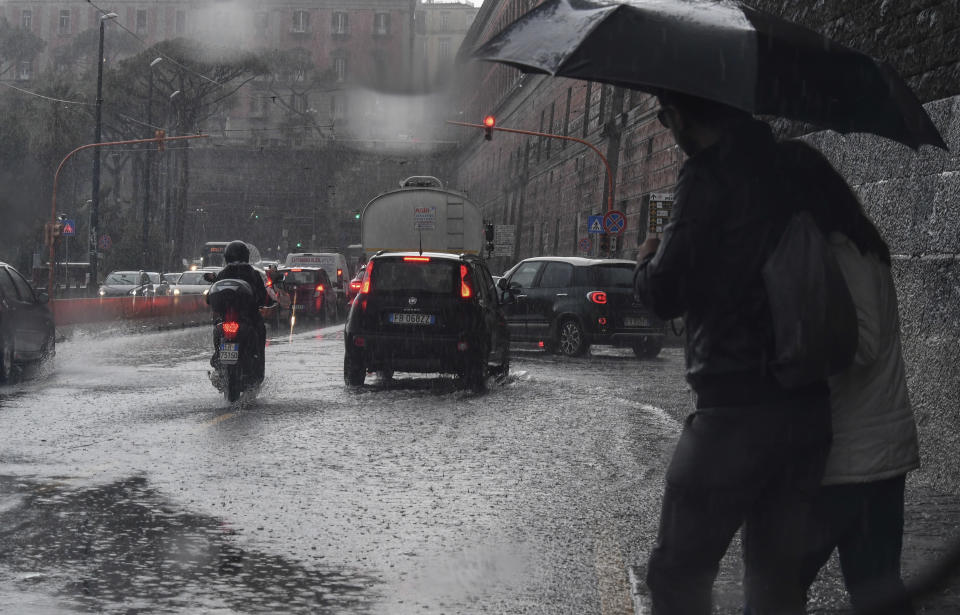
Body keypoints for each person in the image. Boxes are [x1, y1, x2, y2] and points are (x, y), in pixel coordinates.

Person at [634, 91, 833, 614]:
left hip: (734, 408)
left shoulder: (706, 176)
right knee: (775, 584)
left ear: (678, 117)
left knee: (678, 573)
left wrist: (646, 261)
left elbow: (665, 294)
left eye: (662, 116)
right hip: (807, 407)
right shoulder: (790, 167)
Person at [775, 141, 920, 614]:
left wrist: (790, 353)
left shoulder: (845, 254)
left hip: (852, 463)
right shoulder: (849, 248)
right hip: (863, 457)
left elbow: (862, 343)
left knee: (778, 585)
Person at [213, 240, 268, 382]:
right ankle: (257, 366)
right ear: (246, 256)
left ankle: (218, 359)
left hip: (227, 318)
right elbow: (262, 297)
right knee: (260, 330)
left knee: (216, 329)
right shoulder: (253, 274)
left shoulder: (223, 274)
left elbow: (210, 299)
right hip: (248, 317)